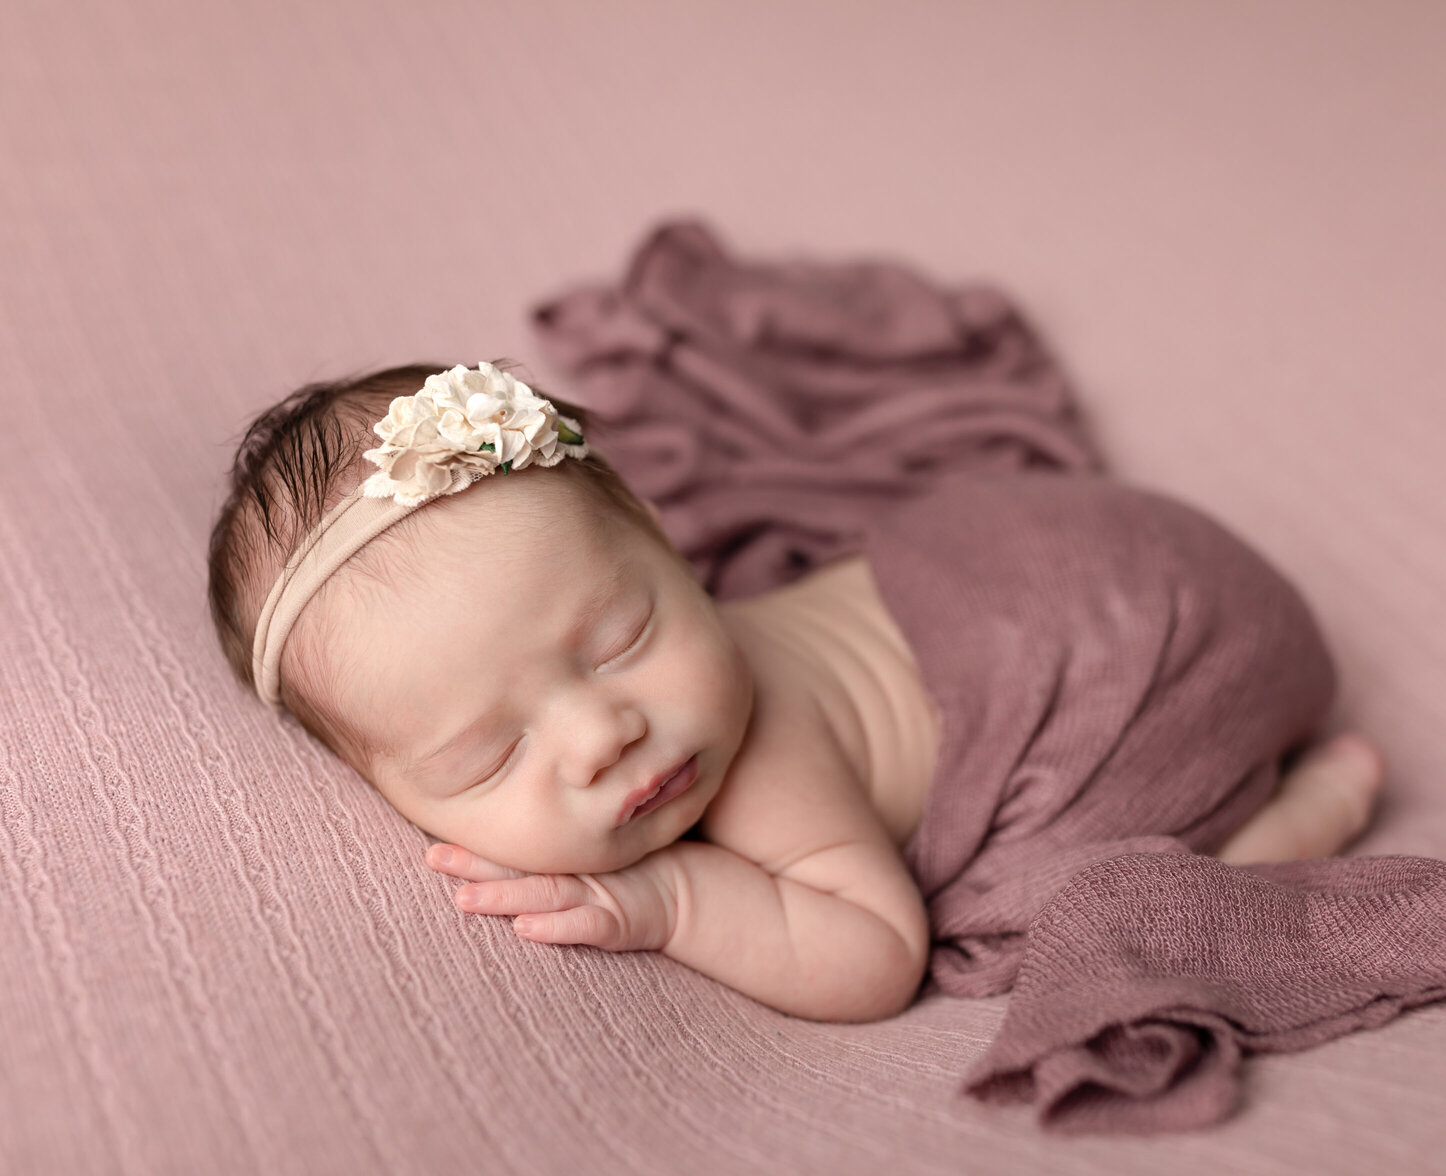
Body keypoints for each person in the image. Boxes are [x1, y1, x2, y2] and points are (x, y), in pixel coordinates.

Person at [207, 360, 1384, 1023]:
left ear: (669, 547)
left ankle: (1297, 813)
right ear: (378, 785)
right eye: (484, 758)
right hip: (1072, 552)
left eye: (622, 639)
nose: (603, 734)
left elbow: (875, 954)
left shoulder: (763, 764)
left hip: (1151, 644)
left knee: (1113, 907)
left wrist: (669, 902)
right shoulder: (647, 705)